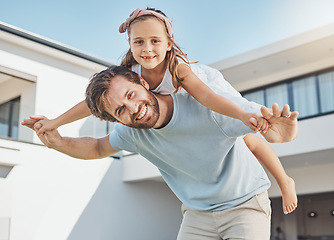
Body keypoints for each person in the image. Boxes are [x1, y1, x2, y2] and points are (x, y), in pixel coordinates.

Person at [29, 7, 297, 215]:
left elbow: (207, 95)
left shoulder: (179, 69)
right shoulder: (131, 74)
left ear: (169, 43)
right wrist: (55, 123)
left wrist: (242, 116)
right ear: (130, 45)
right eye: (139, 42)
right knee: (237, 136)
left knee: (244, 134)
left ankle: (284, 180)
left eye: (155, 41)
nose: (147, 49)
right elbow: (91, 104)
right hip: (174, 111)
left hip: (205, 90)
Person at [22, 65, 299, 239]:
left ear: (143, 83)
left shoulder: (207, 109)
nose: (133, 109)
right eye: (120, 110)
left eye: (130, 96)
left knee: (246, 140)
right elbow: (97, 147)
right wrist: (58, 141)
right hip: (197, 213)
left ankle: (286, 180)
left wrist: (281, 134)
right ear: (116, 119)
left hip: (244, 204)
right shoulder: (132, 132)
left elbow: (257, 125)